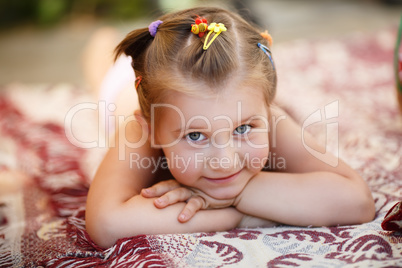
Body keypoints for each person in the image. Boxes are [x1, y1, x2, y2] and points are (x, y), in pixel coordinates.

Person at [85, 6, 375, 248]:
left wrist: (237, 197)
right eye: (195, 135)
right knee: (104, 78)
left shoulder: (269, 119)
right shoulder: (140, 132)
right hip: (122, 94)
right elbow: (105, 224)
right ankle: (101, 41)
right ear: (151, 129)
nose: (225, 162)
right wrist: (239, 215)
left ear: (267, 107)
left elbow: (358, 201)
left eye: (243, 129)